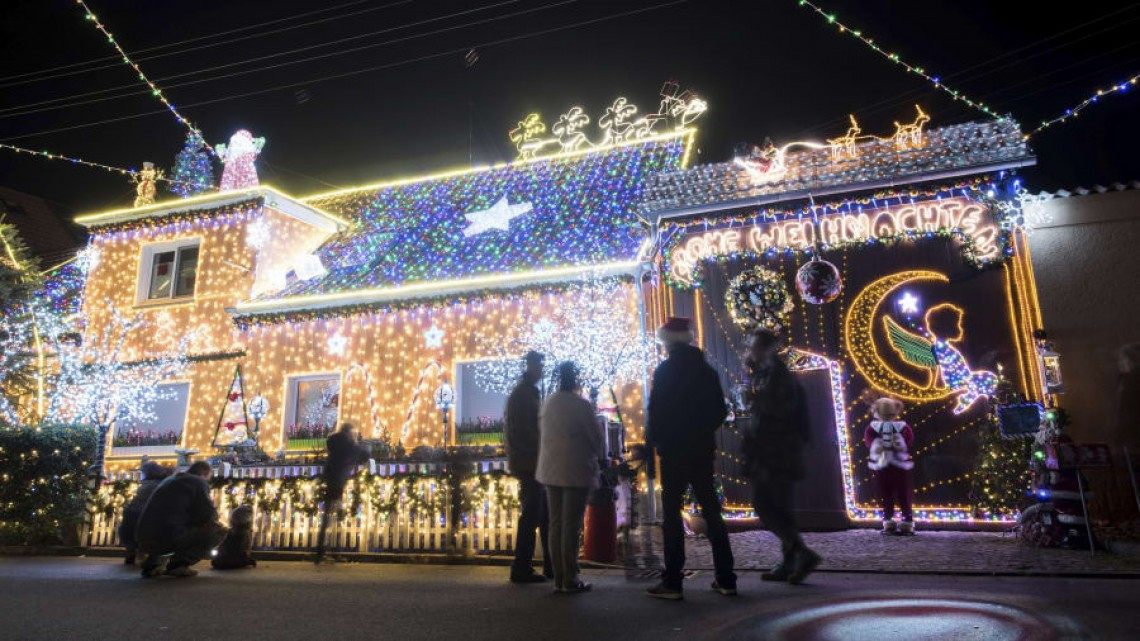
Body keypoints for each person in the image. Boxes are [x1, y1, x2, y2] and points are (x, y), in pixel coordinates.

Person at [645, 317, 737, 600]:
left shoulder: (665, 371)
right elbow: (720, 411)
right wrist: (701, 430)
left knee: (671, 515)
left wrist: (656, 441)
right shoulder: (706, 371)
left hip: (673, 452)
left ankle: (673, 581)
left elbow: (656, 412)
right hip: (700, 450)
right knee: (712, 512)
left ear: (668, 342)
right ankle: (726, 578)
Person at [744, 328, 821, 584]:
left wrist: (753, 398)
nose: (750, 350)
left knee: (764, 503)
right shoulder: (765, 373)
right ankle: (789, 563)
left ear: (767, 348)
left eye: (754, 345)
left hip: (775, 450)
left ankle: (801, 552)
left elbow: (780, 410)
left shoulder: (777, 375)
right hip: (774, 449)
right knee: (780, 507)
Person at [536, 361, 604, 594]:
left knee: (555, 524)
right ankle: (570, 578)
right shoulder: (581, 405)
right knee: (570, 524)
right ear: (575, 379)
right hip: (575, 469)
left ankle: (559, 577)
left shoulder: (549, 403)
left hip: (550, 469)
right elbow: (596, 439)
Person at [504, 350, 554, 583]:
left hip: (530, 461)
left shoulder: (526, 393)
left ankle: (549, 565)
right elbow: (527, 431)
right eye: (539, 366)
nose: (542, 370)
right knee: (533, 513)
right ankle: (521, 566)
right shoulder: (524, 395)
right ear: (531, 366)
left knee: (541, 514)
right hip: (530, 462)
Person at [136, 461, 227, 578]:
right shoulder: (198, 482)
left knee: (171, 523)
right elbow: (208, 513)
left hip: (144, 536)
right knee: (218, 530)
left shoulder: (169, 480)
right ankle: (179, 564)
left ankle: (154, 562)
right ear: (205, 473)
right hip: (170, 536)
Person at [315, 422, 371, 562]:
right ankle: (335, 550)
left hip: (330, 481)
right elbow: (365, 455)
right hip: (339, 484)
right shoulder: (350, 445)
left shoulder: (334, 443)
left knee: (327, 519)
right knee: (339, 518)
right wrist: (357, 442)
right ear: (348, 432)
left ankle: (320, 551)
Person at [865, 397, 916, 535]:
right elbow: (869, 440)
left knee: (899, 493)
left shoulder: (901, 427)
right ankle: (892, 519)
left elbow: (908, 439)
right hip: (885, 465)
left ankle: (902, 519)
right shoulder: (875, 428)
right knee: (888, 493)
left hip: (895, 465)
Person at [119, 460, 170, 564]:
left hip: (143, 512)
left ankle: (133, 550)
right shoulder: (157, 483)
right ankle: (136, 551)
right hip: (143, 512)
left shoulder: (151, 484)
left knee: (131, 525)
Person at [212, 505, 258, 569]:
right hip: (230, 557)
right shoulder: (241, 534)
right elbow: (241, 549)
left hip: (225, 558)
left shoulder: (234, 532)